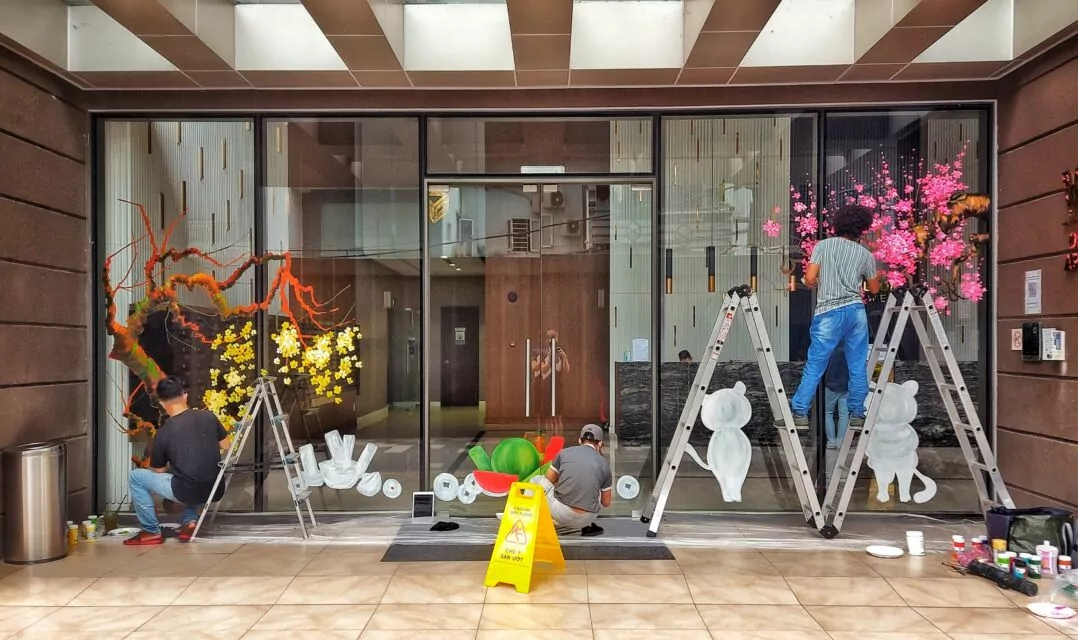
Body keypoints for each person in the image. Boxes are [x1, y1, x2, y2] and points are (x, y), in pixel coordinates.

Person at [789, 204, 880, 430]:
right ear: (862, 228)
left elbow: (809, 279)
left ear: (838, 224)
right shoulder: (865, 255)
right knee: (857, 364)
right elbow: (875, 289)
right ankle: (858, 414)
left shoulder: (824, 246)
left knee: (816, 364)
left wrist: (816, 282)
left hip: (828, 313)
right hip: (856, 312)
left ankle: (799, 412)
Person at [124, 376, 230, 546]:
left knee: (136, 477)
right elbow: (226, 444)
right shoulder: (208, 417)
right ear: (185, 396)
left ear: (162, 403)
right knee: (189, 474)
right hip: (215, 488)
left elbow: (158, 471)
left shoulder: (165, 432)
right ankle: (190, 521)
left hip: (187, 490)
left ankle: (151, 531)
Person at [536, 424, 612, 537]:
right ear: (600, 443)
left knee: (537, 481)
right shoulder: (604, 464)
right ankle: (586, 526)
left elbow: (549, 481)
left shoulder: (564, 453)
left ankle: (535, 523)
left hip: (560, 513)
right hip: (588, 517)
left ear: (579, 440)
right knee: (597, 488)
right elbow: (606, 503)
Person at [823, 344, 850, 449]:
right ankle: (841, 443)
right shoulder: (851, 350)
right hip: (846, 386)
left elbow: (829, 369)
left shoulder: (832, 350)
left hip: (831, 386)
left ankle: (831, 442)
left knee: (828, 413)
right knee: (844, 414)